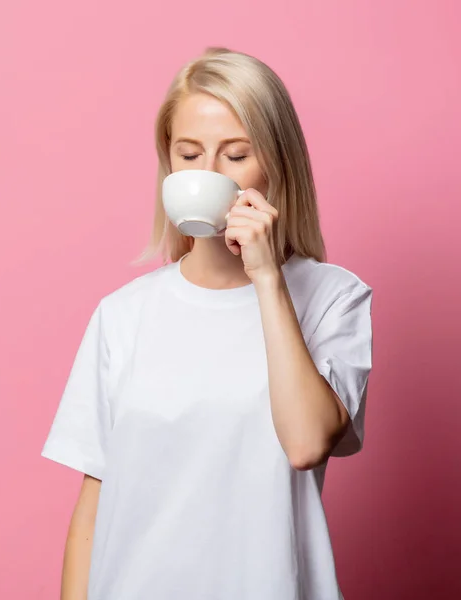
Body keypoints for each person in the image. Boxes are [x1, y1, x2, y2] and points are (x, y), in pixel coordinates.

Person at [41, 47, 373, 600]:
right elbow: (93, 507)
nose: (209, 174)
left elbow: (306, 443)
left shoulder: (334, 299)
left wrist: (268, 278)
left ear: (277, 163)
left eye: (236, 154)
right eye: (189, 154)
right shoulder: (123, 316)